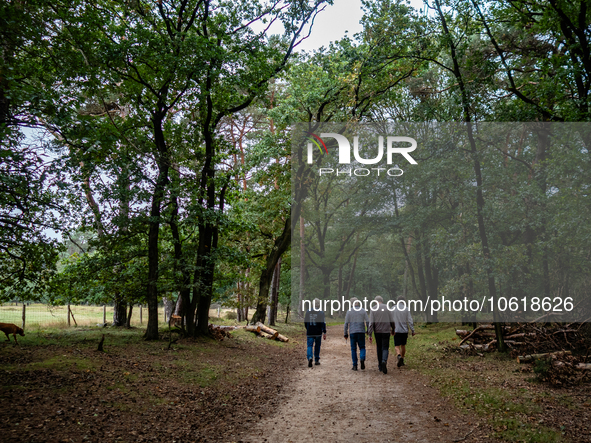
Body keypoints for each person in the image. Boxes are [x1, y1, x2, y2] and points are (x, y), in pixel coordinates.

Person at [368, 295, 396, 374]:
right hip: (386, 331)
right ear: (382, 301)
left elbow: (371, 323)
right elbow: (392, 320)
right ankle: (384, 361)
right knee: (385, 347)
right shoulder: (387, 307)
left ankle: (380, 365)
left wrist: (370, 334)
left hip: (377, 332)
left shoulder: (373, 309)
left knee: (379, 347)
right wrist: (393, 329)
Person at [343, 297, 369, 371]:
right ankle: (362, 358)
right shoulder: (363, 310)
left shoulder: (349, 311)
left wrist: (345, 333)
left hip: (352, 332)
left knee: (353, 349)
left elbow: (346, 323)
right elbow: (367, 321)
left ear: (351, 303)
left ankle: (355, 365)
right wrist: (368, 330)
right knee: (362, 347)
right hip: (361, 332)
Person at [393, 295, 415, 367]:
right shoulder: (406, 309)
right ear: (404, 301)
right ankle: (402, 359)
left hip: (396, 330)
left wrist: (390, 328)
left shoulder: (393, 308)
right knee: (403, 345)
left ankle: (399, 355)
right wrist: (412, 330)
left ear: (397, 301)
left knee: (397, 346)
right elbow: (410, 320)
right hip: (404, 330)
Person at [304, 298, 326, 367]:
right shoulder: (321, 312)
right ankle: (316, 360)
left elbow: (305, 322)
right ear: (319, 304)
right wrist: (324, 332)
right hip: (318, 332)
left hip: (310, 332)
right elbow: (323, 323)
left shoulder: (308, 311)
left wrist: (307, 328)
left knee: (309, 345)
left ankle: (310, 357)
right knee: (317, 346)